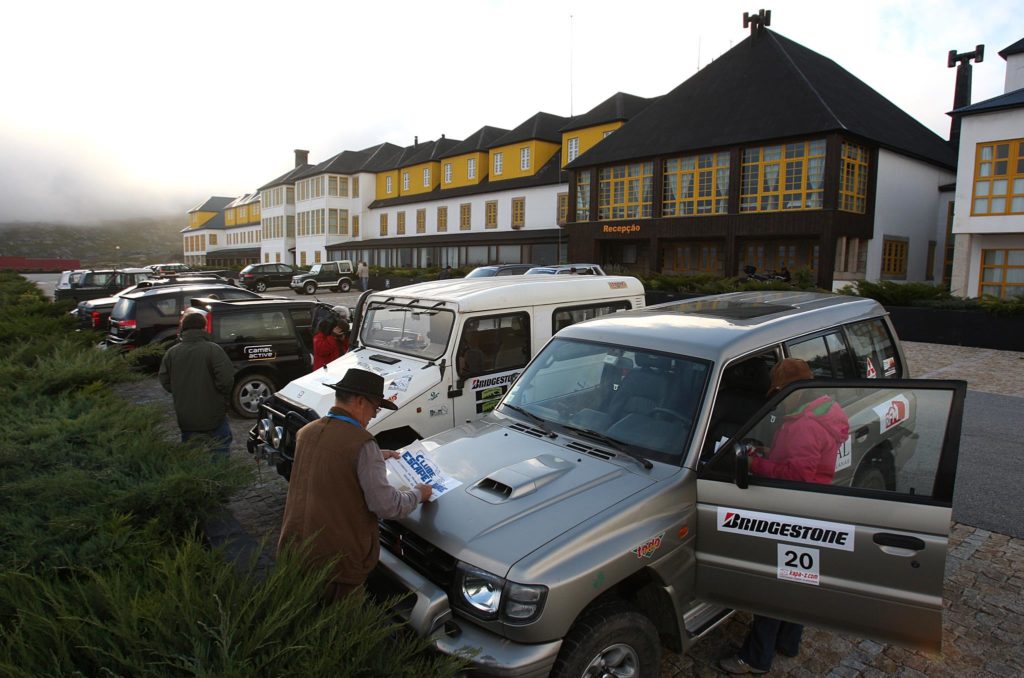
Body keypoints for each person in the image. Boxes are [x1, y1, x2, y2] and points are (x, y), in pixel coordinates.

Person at [720, 358, 849, 674]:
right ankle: (788, 642)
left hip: (793, 509)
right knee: (797, 581)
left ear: (793, 389)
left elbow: (796, 475)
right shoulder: (822, 410)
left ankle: (755, 658)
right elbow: (802, 464)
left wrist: (755, 464)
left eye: (778, 391)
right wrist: (769, 454)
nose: (776, 398)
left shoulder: (803, 425)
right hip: (812, 508)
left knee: (773, 589)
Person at [277, 369, 432, 600]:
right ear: (360, 402)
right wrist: (419, 493)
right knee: (339, 628)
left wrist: (376, 455)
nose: (373, 415)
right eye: (375, 408)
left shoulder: (307, 432)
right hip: (336, 565)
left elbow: (331, 459)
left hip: (295, 549)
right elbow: (387, 507)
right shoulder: (361, 443)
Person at [158, 311, 236, 456]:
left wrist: (181, 390)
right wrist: (219, 396)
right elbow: (226, 380)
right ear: (203, 328)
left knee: (192, 457)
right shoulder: (213, 349)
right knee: (220, 451)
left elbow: (165, 380)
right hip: (214, 414)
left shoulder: (172, 353)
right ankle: (220, 478)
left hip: (186, 417)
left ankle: (195, 478)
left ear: (183, 328)